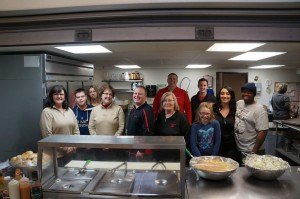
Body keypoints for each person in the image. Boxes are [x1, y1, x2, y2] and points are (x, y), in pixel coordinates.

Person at [40, 85, 79, 166]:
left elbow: (76, 130)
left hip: (70, 153)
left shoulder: (69, 110)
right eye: (56, 94)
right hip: (55, 156)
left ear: (65, 96)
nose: (59, 96)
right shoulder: (47, 112)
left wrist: (74, 146)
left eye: (61, 94)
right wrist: (65, 148)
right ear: (51, 96)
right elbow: (47, 136)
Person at [234, 82, 269, 162]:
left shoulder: (260, 109)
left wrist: (254, 151)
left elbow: (263, 131)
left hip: (252, 150)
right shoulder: (239, 103)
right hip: (239, 148)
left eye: (249, 92)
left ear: (254, 94)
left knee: (253, 174)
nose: (246, 94)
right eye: (244, 92)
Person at [154, 92, 190, 162]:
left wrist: (184, 157)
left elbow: (187, 138)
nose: (167, 102)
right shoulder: (160, 116)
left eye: (170, 100)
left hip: (175, 156)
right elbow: (156, 134)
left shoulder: (181, 117)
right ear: (162, 103)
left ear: (174, 102)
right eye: (164, 100)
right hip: (160, 154)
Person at [127, 86, 155, 159]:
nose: (136, 95)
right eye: (135, 93)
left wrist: (141, 150)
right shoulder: (133, 109)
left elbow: (148, 132)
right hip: (132, 148)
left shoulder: (147, 110)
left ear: (145, 97)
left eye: (140, 94)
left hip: (141, 152)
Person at [213, 86, 238, 161]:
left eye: (228, 94)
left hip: (231, 147)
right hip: (215, 146)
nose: (225, 96)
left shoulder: (236, 110)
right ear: (219, 95)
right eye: (222, 93)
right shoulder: (213, 108)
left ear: (231, 96)